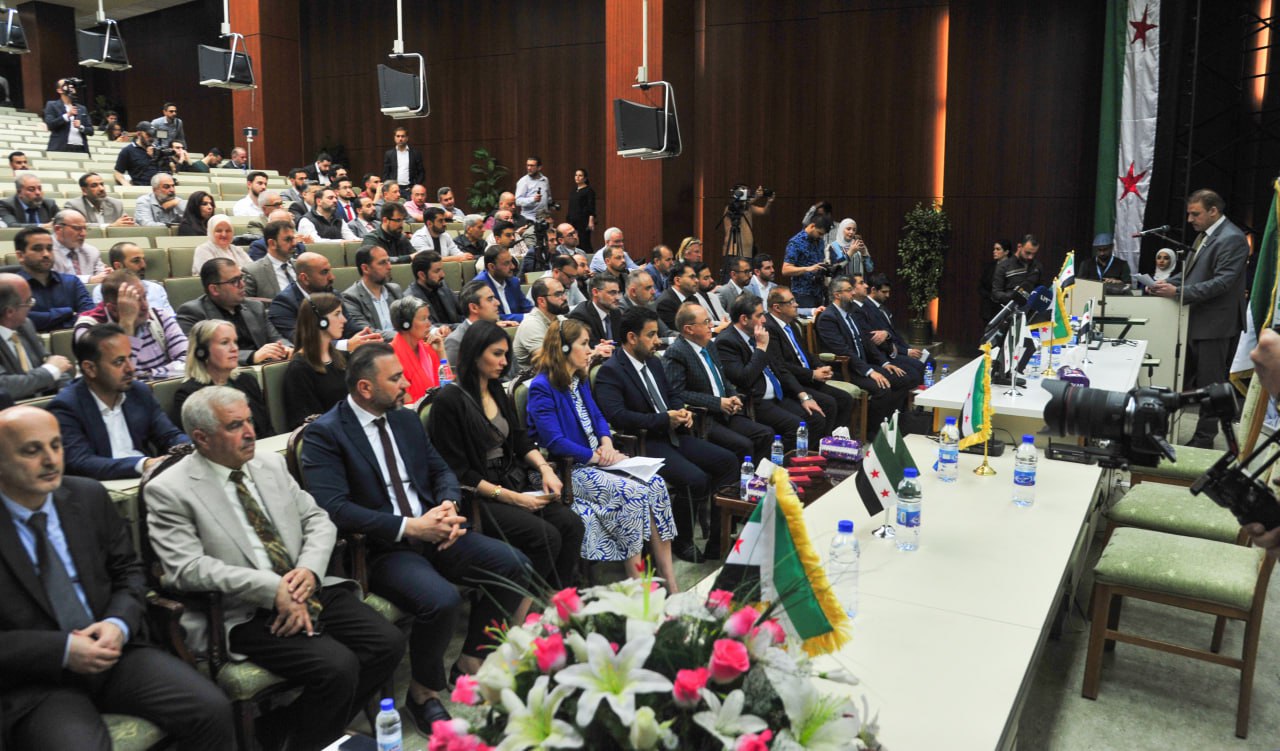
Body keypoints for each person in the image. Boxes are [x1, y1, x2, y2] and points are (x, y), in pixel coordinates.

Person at [144, 387, 404, 750]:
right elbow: (185, 567)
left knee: (387, 643)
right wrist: (271, 588)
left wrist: (309, 571)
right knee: (337, 667)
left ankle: (285, 730)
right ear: (201, 438)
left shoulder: (269, 464)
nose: (250, 432)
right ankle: (309, 740)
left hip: (306, 583)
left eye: (249, 420)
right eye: (235, 426)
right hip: (243, 610)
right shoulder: (169, 490)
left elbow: (317, 520)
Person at [301, 343, 531, 734]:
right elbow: (334, 508)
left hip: (435, 528)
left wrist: (447, 505)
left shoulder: (405, 420)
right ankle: (423, 694)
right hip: (383, 547)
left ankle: (471, 659)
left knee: (516, 565)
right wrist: (410, 526)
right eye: (395, 379)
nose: (407, 384)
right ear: (365, 388)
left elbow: (442, 471)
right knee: (441, 600)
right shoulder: (327, 433)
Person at [0, 406, 235, 751]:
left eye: (56, 445)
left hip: (114, 650)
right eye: (31, 450)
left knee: (212, 709)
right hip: (37, 680)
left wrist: (117, 623)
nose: (51, 460)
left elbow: (130, 572)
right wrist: (62, 649)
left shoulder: (87, 496)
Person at [428, 320, 585, 591]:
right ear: (475, 354)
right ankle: (527, 602)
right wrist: (515, 498)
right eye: (497, 354)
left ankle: (559, 597)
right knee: (546, 536)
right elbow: (460, 472)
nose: (504, 362)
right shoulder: (448, 401)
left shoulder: (496, 390)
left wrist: (545, 469)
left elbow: (520, 439)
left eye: (505, 354)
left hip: (510, 481)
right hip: (477, 497)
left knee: (571, 524)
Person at [527, 319, 679, 588]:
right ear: (563, 348)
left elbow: (597, 417)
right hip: (571, 470)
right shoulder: (542, 386)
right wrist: (598, 457)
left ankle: (670, 581)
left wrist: (607, 443)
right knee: (633, 493)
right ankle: (636, 586)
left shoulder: (578, 378)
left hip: (600, 459)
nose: (590, 350)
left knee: (656, 484)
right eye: (584, 344)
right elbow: (555, 441)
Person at [595, 306, 738, 563]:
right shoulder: (611, 370)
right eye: (651, 335)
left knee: (728, 461)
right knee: (695, 479)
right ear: (632, 337)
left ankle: (719, 541)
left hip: (674, 433)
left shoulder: (653, 362)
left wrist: (682, 411)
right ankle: (681, 541)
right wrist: (664, 419)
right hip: (644, 442)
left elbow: (672, 394)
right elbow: (618, 417)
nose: (657, 341)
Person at [1149, 189, 1249, 448]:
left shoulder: (1232, 238)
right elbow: (1190, 274)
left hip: (1216, 325)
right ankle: (1159, 430)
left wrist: (1177, 292)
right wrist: (1162, 284)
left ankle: (1205, 439)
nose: (1190, 219)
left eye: (1195, 214)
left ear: (1213, 211)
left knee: (1210, 385)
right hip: (1195, 322)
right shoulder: (1204, 236)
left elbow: (1222, 282)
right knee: (1182, 380)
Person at [48, 323, 189, 480]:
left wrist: (190, 449)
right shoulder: (66, 406)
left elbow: (169, 435)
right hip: (102, 486)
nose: (131, 368)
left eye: (130, 358)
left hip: (146, 479)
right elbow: (80, 462)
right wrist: (143, 464)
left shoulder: (138, 392)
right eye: (119, 362)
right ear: (90, 369)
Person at [716, 294, 829, 452]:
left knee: (816, 418)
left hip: (778, 394)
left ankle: (806, 460)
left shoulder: (759, 333)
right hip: (755, 400)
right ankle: (781, 464)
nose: (764, 320)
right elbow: (744, 378)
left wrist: (803, 396)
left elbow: (780, 369)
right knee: (796, 426)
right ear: (744, 319)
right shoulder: (727, 341)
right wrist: (761, 348)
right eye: (759, 315)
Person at [815, 277, 913, 437]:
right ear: (837, 295)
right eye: (849, 290)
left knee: (903, 379)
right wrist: (870, 372)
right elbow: (844, 351)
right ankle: (872, 432)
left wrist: (884, 363)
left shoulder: (850, 313)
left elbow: (866, 342)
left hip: (862, 365)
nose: (853, 293)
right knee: (882, 388)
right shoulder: (828, 318)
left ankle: (890, 424)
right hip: (846, 369)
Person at [764, 287, 854, 437]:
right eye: (791, 302)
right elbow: (781, 366)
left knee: (845, 399)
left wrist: (820, 366)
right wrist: (812, 374)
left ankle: (835, 441)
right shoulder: (769, 328)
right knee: (829, 403)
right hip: (792, 383)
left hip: (807, 378)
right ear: (777, 307)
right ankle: (821, 444)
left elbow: (806, 353)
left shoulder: (791, 323)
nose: (796, 304)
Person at [73, 270, 187, 382]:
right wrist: (127, 324)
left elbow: (188, 362)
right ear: (113, 309)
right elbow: (113, 380)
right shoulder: (88, 329)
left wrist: (146, 377)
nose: (145, 306)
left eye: (144, 297)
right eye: (135, 301)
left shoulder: (159, 316)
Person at [176, 258, 291, 365]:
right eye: (234, 281)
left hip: (264, 367)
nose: (242, 284)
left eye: (241, 278)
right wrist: (252, 356)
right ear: (214, 289)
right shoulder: (192, 313)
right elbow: (201, 353)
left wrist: (287, 348)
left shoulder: (255, 307)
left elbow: (276, 337)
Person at [174, 320, 274, 436]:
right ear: (201, 352)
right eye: (224, 342)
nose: (234, 348)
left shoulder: (247, 381)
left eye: (235, 342)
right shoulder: (189, 394)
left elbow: (268, 430)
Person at [0, 272, 73, 399]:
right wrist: (49, 371)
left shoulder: (25, 325)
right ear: (10, 312)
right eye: (29, 302)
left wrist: (66, 394)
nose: (31, 306)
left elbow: (54, 365)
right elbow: (5, 386)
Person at [14, 226, 93, 332]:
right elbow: (19, 320)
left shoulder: (72, 282)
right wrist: (68, 312)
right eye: (37, 249)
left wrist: (48, 322)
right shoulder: (10, 288)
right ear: (20, 256)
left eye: (49, 248)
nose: (46, 254)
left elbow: (90, 316)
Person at [269, 251, 350, 343]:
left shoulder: (332, 294)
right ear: (304, 278)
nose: (332, 277)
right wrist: (345, 344)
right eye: (324, 272)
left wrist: (362, 337)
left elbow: (351, 327)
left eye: (330, 270)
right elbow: (301, 341)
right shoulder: (284, 304)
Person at [445, 281, 517, 367]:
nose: (498, 303)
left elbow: (515, 370)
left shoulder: (500, 333)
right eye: (490, 299)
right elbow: (455, 375)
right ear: (474, 308)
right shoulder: (456, 341)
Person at [390, 297, 445, 403]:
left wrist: (441, 352)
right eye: (423, 319)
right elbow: (405, 401)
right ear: (406, 324)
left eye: (428, 318)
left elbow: (447, 385)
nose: (429, 324)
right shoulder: (390, 356)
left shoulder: (429, 347)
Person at [343, 245, 404, 339]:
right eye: (382, 263)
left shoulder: (394, 289)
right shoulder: (350, 298)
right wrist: (406, 336)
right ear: (365, 268)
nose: (389, 267)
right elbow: (367, 332)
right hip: (378, 346)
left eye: (388, 261)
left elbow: (411, 319)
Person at [91, 242, 171, 313]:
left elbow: (171, 319)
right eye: (136, 261)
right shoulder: (101, 291)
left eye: (143, 260)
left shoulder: (156, 288)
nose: (143, 265)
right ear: (118, 266)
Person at [513, 277, 568, 374]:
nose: (564, 298)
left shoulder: (560, 318)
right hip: (534, 378)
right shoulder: (531, 324)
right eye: (558, 294)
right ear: (542, 301)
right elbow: (548, 362)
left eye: (564, 292)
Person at [476, 237, 532, 322]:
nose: (512, 267)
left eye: (511, 261)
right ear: (492, 267)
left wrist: (537, 315)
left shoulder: (513, 281)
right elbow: (491, 317)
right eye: (506, 263)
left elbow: (527, 307)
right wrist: (526, 317)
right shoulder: (480, 286)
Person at [782, 216, 832, 309]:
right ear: (812, 226)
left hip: (819, 291)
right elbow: (785, 270)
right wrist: (808, 269)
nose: (821, 237)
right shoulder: (795, 242)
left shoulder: (820, 241)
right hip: (803, 293)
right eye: (819, 233)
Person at [243, 220, 297, 300]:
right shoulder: (253, 272)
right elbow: (246, 304)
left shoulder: (301, 266)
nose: (294, 243)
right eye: (288, 239)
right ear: (272, 243)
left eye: (294, 238)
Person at [406, 251, 463, 326]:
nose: (443, 275)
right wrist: (462, 326)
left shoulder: (442, 286)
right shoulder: (411, 300)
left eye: (441, 269)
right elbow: (430, 327)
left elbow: (462, 310)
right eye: (437, 271)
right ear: (422, 275)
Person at [991, 234, 1046, 309]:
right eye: (1028, 253)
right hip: (1009, 310)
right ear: (1019, 247)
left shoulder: (1037, 266)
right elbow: (996, 293)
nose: (1030, 257)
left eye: (1034, 254)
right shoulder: (1003, 266)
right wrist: (1013, 296)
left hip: (1031, 311)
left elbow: (1042, 289)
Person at [51, 209, 107, 283]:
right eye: (77, 228)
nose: (83, 234)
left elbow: (101, 277)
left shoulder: (92, 251)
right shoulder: (45, 252)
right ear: (58, 229)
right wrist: (88, 280)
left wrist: (107, 275)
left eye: (85, 229)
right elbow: (51, 279)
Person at [568, 274, 623, 348]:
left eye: (618, 292)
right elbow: (588, 348)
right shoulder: (581, 316)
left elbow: (619, 342)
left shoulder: (615, 312)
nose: (617, 297)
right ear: (595, 292)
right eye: (612, 293)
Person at [720, 184, 773, 258]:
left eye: (747, 191)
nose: (746, 193)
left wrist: (769, 202)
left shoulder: (749, 207)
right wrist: (756, 197)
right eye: (743, 191)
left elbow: (764, 211)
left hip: (747, 250)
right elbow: (740, 205)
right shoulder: (730, 207)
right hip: (733, 250)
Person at [65, 172, 134, 228]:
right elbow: (76, 225)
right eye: (94, 185)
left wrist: (129, 222)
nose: (101, 189)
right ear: (84, 190)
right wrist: (110, 226)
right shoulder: (73, 205)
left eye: (102, 184)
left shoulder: (116, 204)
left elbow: (126, 223)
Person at [43, 78, 93, 153]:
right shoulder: (52, 105)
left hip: (80, 147)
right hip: (60, 147)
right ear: (59, 90)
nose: (70, 86)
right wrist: (67, 115)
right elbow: (50, 124)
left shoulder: (82, 108)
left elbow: (91, 131)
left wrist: (81, 127)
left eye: (71, 85)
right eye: (66, 85)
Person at [112, 122, 160, 187]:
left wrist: (155, 157)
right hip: (141, 187)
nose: (151, 138)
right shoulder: (128, 150)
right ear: (138, 134)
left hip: (160, 187)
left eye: (153, 135)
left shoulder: (157, 150)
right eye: (148, 135)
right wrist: (126, 184)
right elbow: (117, 173)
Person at [656, 260, 699, 331]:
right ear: (677, 281)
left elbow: (702, 321)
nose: (697, 280)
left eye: (696, 277)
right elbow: (679, 331)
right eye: (692, 277)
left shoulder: (693, 299)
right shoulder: (665, 303)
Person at [978, 239, 1013, 325]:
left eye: (998, 249)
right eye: (994, 249)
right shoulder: (989, 267)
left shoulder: (1012, 268)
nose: (994, 251)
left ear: (1006, 252)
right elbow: (981, 286)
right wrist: (990, 296)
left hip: (1004, 308)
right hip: (989, 308)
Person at [382, 128, 425, 192]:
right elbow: (386, 173)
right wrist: (388, 188)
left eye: (403, 136)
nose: (400, 139)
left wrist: (415, 186)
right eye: (398, 136)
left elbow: (421, 172)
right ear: (394, 138)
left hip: (410, 189)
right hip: (394, 189)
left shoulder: (415, 153)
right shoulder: (389, 154)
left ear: (407, 138)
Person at [694, 263, 732, 329]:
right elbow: (706, 322)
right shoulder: (693, 300)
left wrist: (731, 322)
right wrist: (724, 324)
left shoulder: (713, 296)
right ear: (696, 280)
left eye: (710, 276)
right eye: (706, 278)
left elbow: (726, 316)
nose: (712, 280)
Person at [515, 156, 552, 224]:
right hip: (529, 218)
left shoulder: (545, 180)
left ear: (539, 167)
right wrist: (533, 199)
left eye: (532, 166)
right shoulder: (523, 181)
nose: (529, 168)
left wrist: (551, 203)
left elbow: (548, 196)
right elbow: (518, 201)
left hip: (543, 218)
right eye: (528, 165)